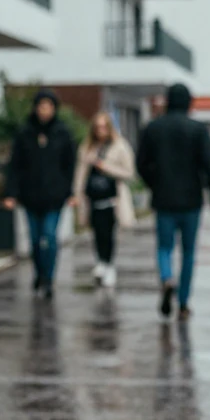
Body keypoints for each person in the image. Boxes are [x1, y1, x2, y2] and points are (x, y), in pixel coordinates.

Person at [137, 83, 210, 319]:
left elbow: (141, 164)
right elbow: (208, 166)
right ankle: (183, 302)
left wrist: (154, 183)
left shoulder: (152, 128)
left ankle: (166, 278)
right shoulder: (197, 129)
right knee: (188, 251)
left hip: (163, 198)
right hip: (191, 200)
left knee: (164, 247)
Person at [4, 89, 77, 300]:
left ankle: (49, 279)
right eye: (41, 106)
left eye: (49, 106)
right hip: (30, 196)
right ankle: (39, 273)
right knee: (35, 239)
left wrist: (70, 192)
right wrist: (11, 193)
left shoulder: (63, 133)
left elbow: (69, 165)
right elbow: (15, 165)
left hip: (55, 196)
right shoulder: (24, 133)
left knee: (50, 236)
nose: (45, 111)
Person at [72, 111, 137, 289]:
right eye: (97, 127)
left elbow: (129, 172)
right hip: (91, 198)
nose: (101, 130)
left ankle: (109, 265)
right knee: (96, 232)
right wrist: (76, 195)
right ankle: (100, 262)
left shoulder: (120, 146)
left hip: (112, 199)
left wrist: (105, 166)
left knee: (108, 234)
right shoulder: (87, 148)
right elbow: (80, 174)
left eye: (104, 126)